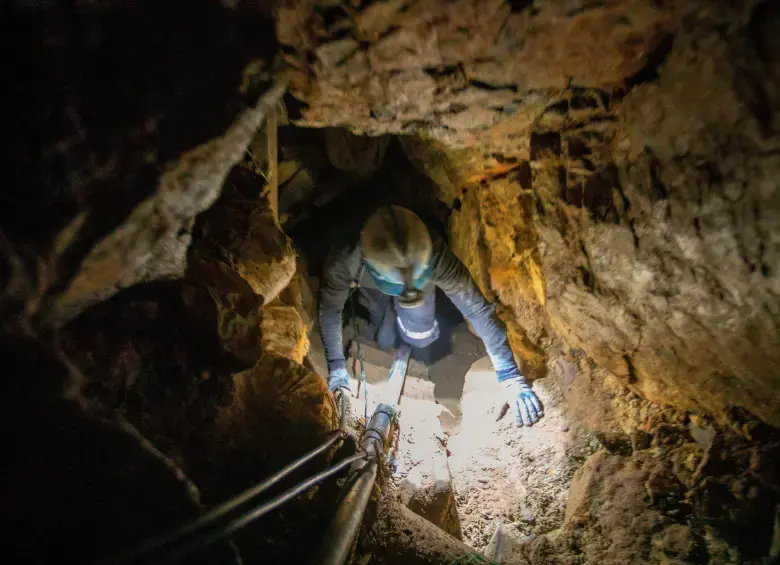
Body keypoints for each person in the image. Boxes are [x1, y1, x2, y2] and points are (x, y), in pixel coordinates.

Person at [317, 206, 543, 427]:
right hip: (370, 286)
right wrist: (337, 366)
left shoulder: (434, 255)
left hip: (401, 278)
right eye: (401, 282)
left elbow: (476, 309)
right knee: (380, 328)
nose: (407, 288)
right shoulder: (345, 262)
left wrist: (509, 375)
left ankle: (415, 346)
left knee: (420, 332)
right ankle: (382, 325)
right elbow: (330, 310)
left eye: (413, 278)